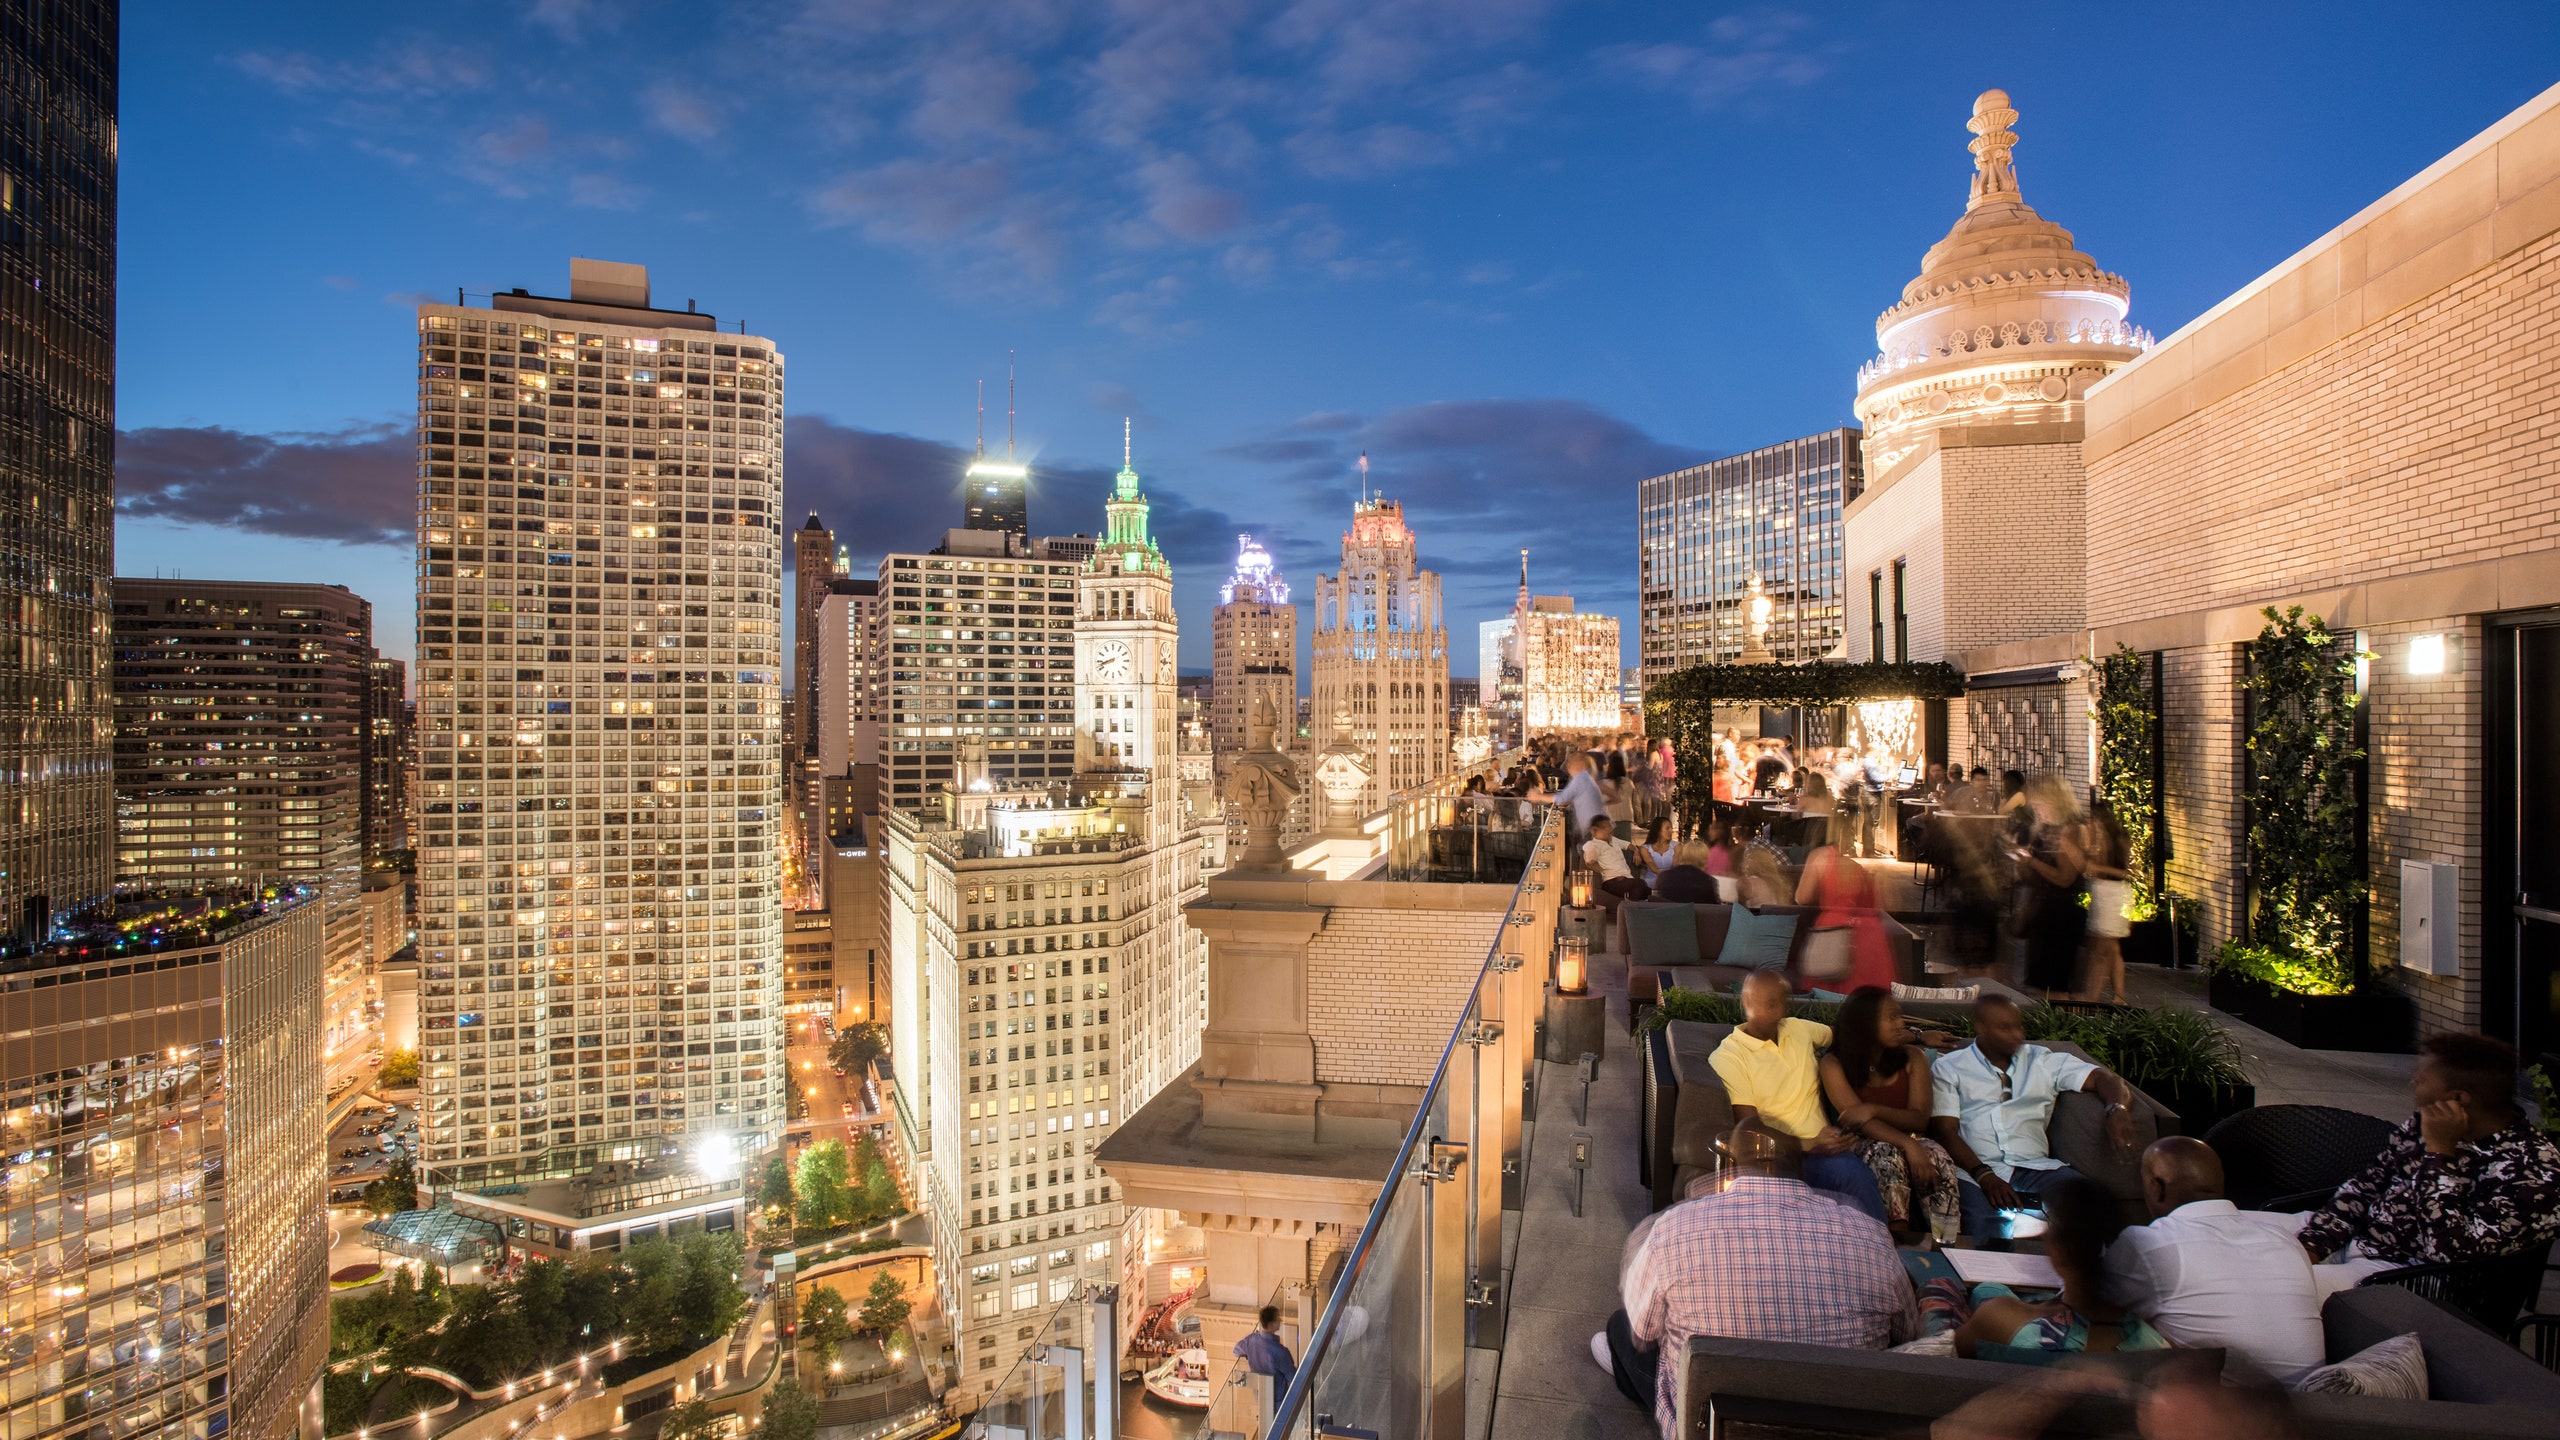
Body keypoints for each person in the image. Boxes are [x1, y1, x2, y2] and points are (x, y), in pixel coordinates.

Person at [1598, 1124, 1915, 1434]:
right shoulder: (1870, 1234)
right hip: (1841, 1424)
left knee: (1622, 1329)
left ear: (1728, 1168)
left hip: (1713, 1425)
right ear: (1800, 1171)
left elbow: (1643, 1332)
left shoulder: (1674, 1228)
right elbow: (1906, 1332)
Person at [2294, 1029, 2560, 1293]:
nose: (2413, 1085)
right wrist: (2314, 1245)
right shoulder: (2426, 1121)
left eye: (2420, 1080)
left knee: (2264, 1286)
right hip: (2358, 1239)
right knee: (2253, 1242)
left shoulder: (2535, 1172)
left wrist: (2439, 1153)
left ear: (2456, 1099)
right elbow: (2365, 1186)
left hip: (2407, 1279)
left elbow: (2450, 1253)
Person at [2104, 1137, 2325, 1384]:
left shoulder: (2148, 1243)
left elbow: (2087, 1307)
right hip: (2311, 1409)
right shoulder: (2285, 1241)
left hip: (2220, 1413)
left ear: (2157, 1187)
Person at [1928, 994, 2138, 1241]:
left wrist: (2117, 1109)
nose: (2017, 1034)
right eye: (2005, 1028)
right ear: (1981, 1027)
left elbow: (2105, 1078)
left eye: (2019, 1025)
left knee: (2092, 1204)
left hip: (2036, 1168)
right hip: (1973, 1172)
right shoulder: (1950, 1067)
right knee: (1986, 1225)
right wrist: (1985, 1176)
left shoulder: (2042, 1060)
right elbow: (1946, 1130)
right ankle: (1994, 1279)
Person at [1709, 971, 1889, 1223]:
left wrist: (1918, 1037)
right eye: (1770, 1004)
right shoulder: (1729, 1056)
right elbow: (1749, 1129)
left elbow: (1850, 1036)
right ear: (1747, 1003)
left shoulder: (1798, 1029)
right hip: (1776, 1158)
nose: (1779, 1012)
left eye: (1783, 1002)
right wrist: (1810, 1143)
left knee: (1857, 1177)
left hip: (1827, 1151)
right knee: (1851, 1176)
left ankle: (1880, 1254)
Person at [1949, 1175, 2165, 1358]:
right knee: (1990, 1289)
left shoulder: (2002, 1318)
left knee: (1943, 1287)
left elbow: (1945, 1353)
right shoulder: (2155, 1345)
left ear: (2061, 1251)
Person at [1819, 987, 1962, 1243]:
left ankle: (1949, 1242)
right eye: (1891, 1018)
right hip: (1862, 1143)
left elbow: (1919, 1118)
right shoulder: (1834, 1063)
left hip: (1914, 1137)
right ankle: (1897, 1242)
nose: (1901, 1024)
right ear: (1866, 1024)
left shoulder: (1913, 1057)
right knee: (1888, 1154)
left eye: (1900, 1016)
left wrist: (1873, 1108)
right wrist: (1907, 1144)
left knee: (1937, 1155)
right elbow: (1858, 1122)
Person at [2005, 776, 2088, 997]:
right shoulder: (2044, 828)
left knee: (2054, 986)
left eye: (2040, 803)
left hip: (2059, 916)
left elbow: (2065, 878)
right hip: (2042, 913)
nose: (2036, 809)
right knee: (2039, 984)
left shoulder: (2068, 831)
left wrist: (2031, 862)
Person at [1792, 818, 1897, 992]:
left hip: (1834, 932)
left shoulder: (1820, 857)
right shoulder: (1856, 866)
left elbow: (1801, 898)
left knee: (1828, 1000)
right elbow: (1874, 904)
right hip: (1869, 937)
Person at [2080, 800, 2134, 1004]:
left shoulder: (2101, 838)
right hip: (2119, 892)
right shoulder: (2120, 836)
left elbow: (2095, 866)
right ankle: (2119, 995)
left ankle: (2093, 996)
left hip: (2106, 893)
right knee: (2112, 947)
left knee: (2101, 949)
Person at [1232, 1305, 1297, 1412]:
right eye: (1277, 1318)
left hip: (1260, 1396)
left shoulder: (1251, 1340)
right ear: (1271, 1324)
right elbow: (1293, 1376)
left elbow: (1236, 1350)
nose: (1280, 1320)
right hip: (1279, 1401)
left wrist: (1250, 1354)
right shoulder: (1280, 1352)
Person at [1584, 815, 1648, 912]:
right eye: (1605, 827)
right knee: (1639, 884)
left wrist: (1636, 852)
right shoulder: (1593, 845)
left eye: (1610, 826)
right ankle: (1631, 910)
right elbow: (1589, 861)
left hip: (1626, 879)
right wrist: (1603, 870)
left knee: (1647, 890)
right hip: (1612, 881)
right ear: (1595, 831)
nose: (1610, 829)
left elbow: (1628, 845)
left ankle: (1637, 908)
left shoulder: (1613, 840)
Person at [1546, 751, 1608, 840]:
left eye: (1571, 764)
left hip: (1593, 828)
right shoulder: (1586, 777)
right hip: (1595, 826)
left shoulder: (1581, 778)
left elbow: (1561, 798)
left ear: (1582, 765)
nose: (1568, 767)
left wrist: (1538, 796)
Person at [1649, 840, 1718, 903]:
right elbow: (1715, 909)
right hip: (1693, 916)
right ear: (1704, 859)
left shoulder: (1664, 877)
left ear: (1683, 855)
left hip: (1668, 915)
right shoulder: (1708, 881)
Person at [1634, 817, 1679, 884]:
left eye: (1671, 828)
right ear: (1658, 830)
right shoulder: (1645, 848)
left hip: (1672, 877)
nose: (1671, 831)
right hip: (1653, 878)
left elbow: (1676, 864)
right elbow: (1651, 865)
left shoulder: (1677, 846)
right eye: (1667, 828)